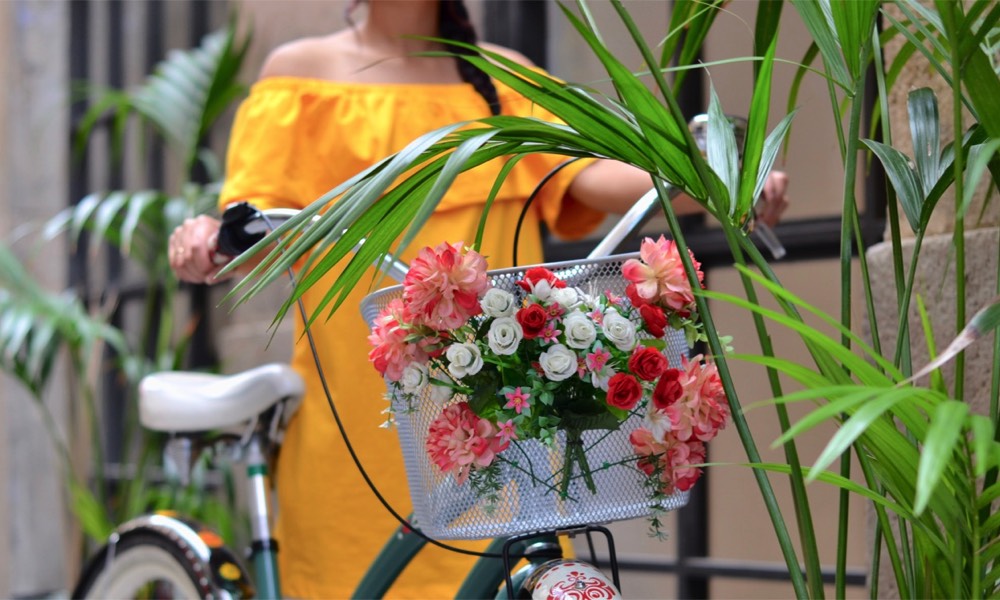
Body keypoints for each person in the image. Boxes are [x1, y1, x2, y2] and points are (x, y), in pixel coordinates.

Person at [169, 1, 789, 597]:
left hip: (497, 406)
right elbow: (249, 225)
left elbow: (600, 177)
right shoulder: (298, 76)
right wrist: (208, 240)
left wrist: (723, 179)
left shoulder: (504, 78)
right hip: (358, 419)